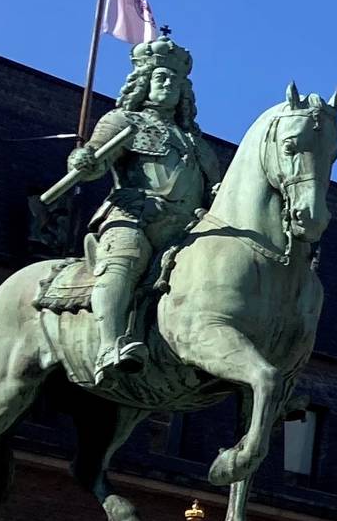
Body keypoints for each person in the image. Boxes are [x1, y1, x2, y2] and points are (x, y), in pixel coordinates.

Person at [38, 30, 224, 374]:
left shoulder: (199, 146)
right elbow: (94, 159)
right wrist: (83, 159)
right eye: (162, 77)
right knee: (124, 262)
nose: (169, 84)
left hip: (185, 230)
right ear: (145, 82)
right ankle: (109, 345)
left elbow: (215, 193)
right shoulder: (123, 121)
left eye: (176, 81)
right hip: (134, 216)